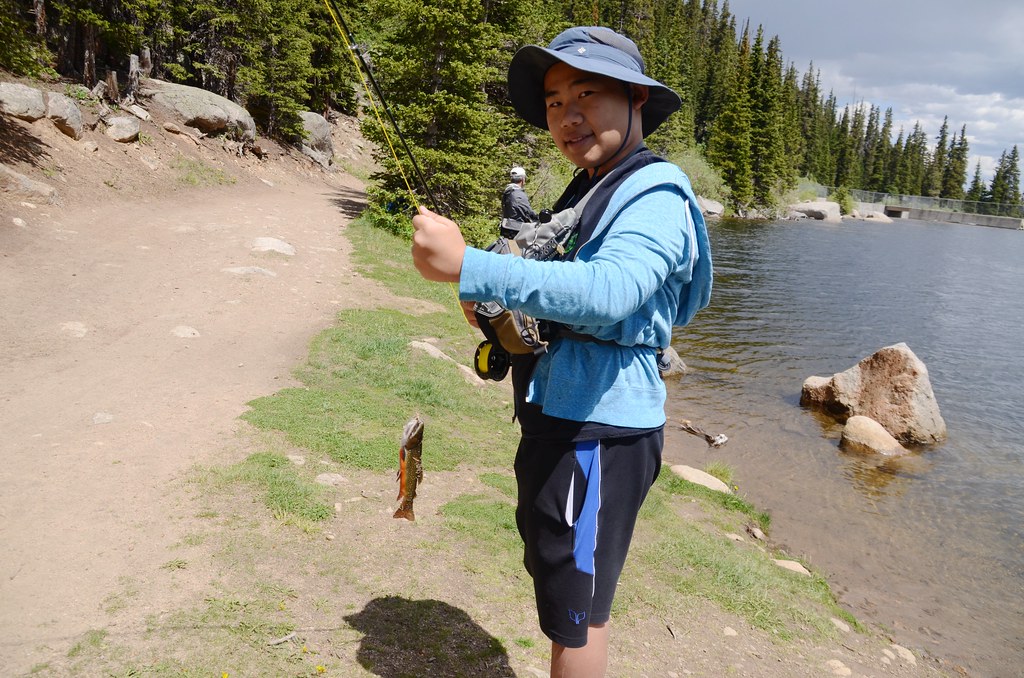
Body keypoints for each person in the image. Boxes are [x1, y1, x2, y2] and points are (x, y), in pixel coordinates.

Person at [411, 26, 712, 678]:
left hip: (599, 434)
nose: (567, 116)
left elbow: (608, 294)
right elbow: (560, 293)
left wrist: (471, 266)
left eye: (586, 94)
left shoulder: (657, 192)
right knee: (563, 590)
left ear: (635, 98)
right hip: (564, 419)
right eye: (553, 101)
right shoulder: (590, 184)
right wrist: (490, 309)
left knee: (579, 617)